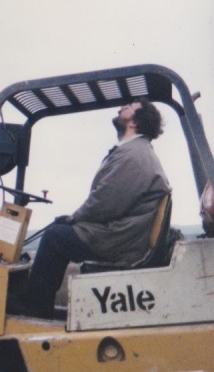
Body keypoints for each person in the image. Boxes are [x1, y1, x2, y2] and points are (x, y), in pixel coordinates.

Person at [10, 98, 171, 319]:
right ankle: (36, 301)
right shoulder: (134, 152)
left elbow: (105, 203)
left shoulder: (133, 155)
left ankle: (36, 305)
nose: (120, 108)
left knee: (55, 237)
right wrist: (73, 219)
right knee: (60, 232)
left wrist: (74, 218)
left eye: (127, 107)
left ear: (135, 122)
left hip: (120, 239)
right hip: (124, 234)